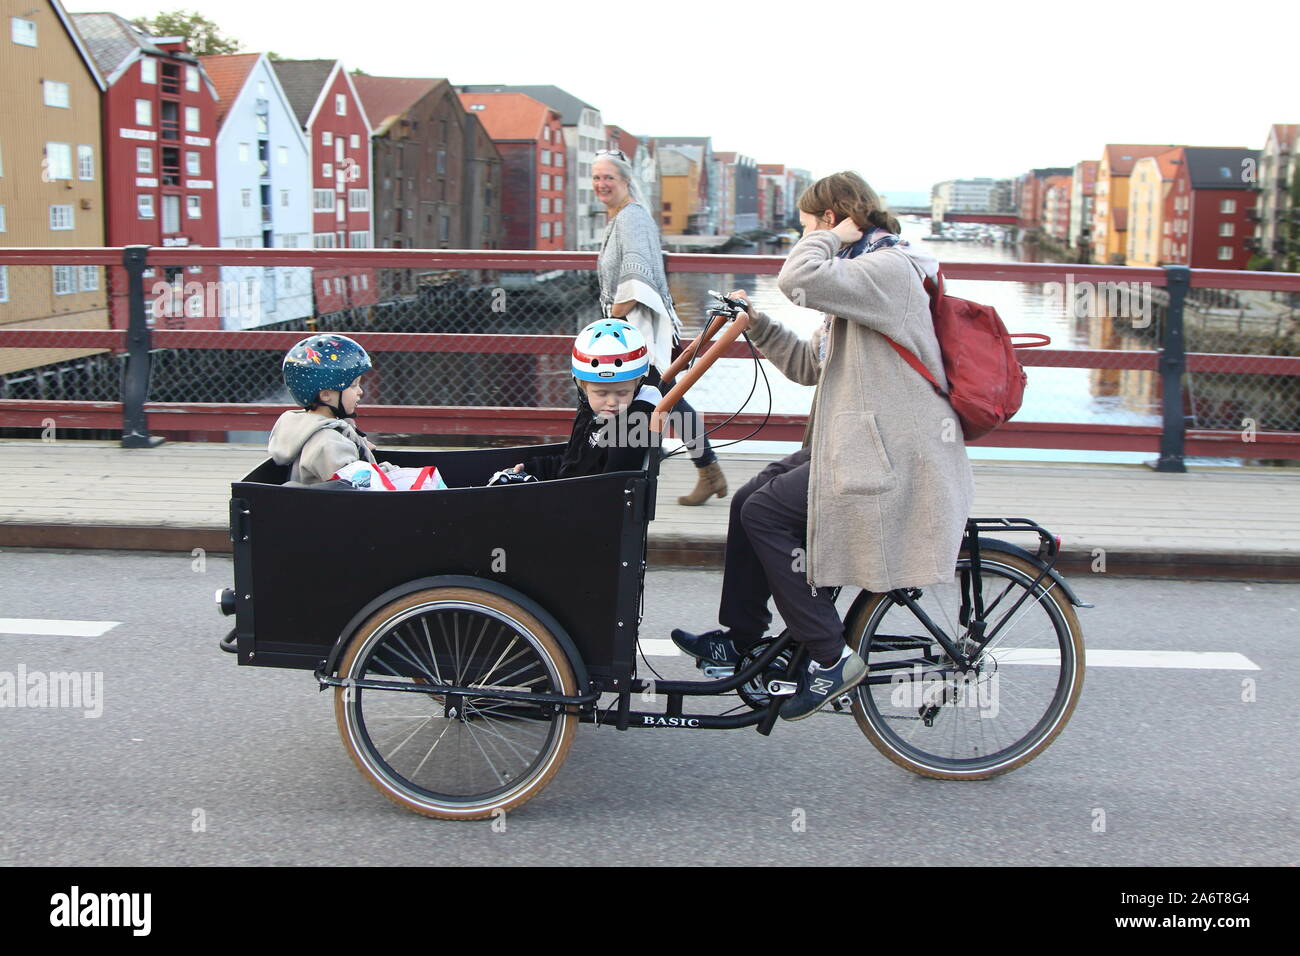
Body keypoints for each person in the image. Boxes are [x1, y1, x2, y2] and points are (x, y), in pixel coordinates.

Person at [671, 171, 975, 721]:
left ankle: (831, 658)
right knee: (747, 500)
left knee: (766, 512)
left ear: (834, 220)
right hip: (858, 444)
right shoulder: (863, 275)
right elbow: (813, 366)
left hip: (891, 455)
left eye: (810, 223)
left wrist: (828, 238)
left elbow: (797, 276)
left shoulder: (886, 269)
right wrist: (756, 324)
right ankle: (741, 640)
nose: (802, 235)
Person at [592, 149, 727, 506]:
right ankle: (691, 470)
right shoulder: (623, 217)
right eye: (596, 177)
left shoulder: (631, 219)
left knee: (661, 399)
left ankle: (636, 477)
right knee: (662, 398)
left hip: (639, 331)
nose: (601, 184)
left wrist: (613, 320)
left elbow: (636, 276)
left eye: (608, 177)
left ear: (625, 180)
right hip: (639, 329)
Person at [515, 319, 663, 480]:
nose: (612, 402)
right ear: (583, 388)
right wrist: (535, 469)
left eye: (622, 393)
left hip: (588, 498)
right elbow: (574, 462)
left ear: (637, 387)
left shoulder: (629, 430)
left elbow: (612, 483)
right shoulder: (589, 413)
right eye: (601, 393)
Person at [269, 333, 390, 485]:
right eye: (353, 385)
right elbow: (361, 486)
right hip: (333, 507)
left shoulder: (314, 428)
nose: (360, 391)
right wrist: (391, 470)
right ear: (326, 395)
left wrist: (361, 446)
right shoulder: (329, 443)